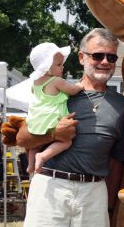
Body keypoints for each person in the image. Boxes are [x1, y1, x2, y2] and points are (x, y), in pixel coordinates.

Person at [23, 28, 124, 227]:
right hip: (50, 187)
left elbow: (116, 162)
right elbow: (22, 138)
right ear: (82, 57)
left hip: (94, 194)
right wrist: (54, 133)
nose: (105, 62)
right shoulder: (57, 90)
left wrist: (111, 206)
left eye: (111, 57)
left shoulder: (123, 106)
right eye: (97, 55)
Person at [25, 42, 83, 173]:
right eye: (58, 65)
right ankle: (43, 156)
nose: (62, 67)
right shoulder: (56, 81)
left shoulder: (35, 83)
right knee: (66, 142)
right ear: (46, 67)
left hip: (36, 120)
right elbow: (73, 90)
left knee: (35, 144)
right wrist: (80, 86)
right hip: (52, 120)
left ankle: (30, 164)